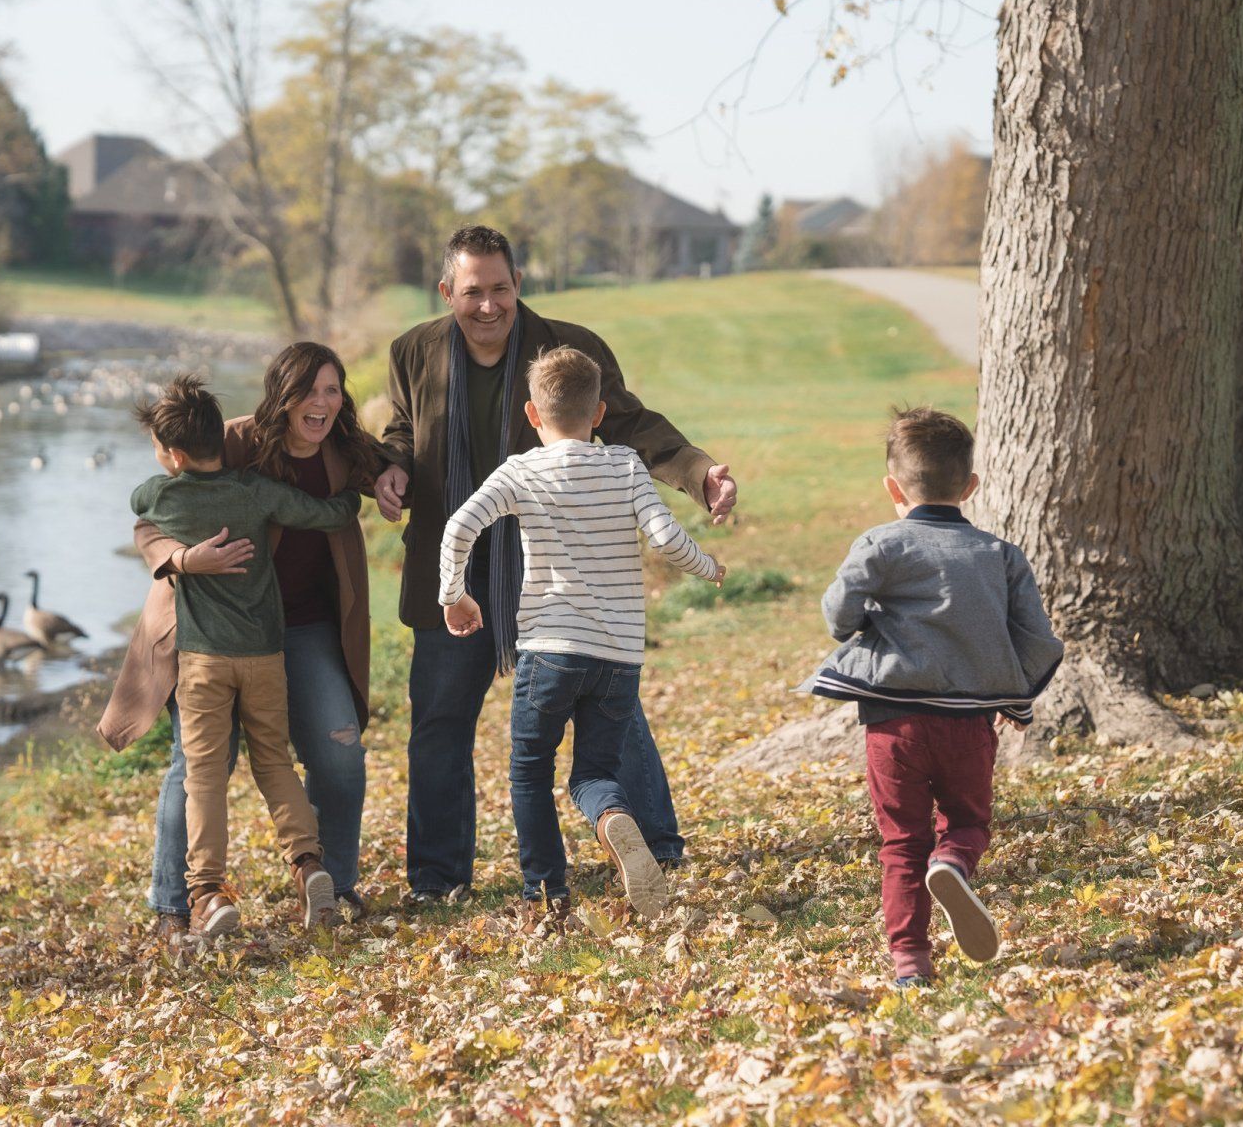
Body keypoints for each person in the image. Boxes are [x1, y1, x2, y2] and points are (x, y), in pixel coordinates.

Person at [375, 224, 740, 902]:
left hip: (553, 566)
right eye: (473, 292)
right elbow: (404, 427)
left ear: (519, 285)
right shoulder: (413, 351)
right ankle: (437, 878)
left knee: (611, 713)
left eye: (501, 290)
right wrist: (391, 468)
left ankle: (656, 847)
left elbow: (632, 425)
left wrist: (698, 473)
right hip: (454, 566)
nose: (488, 306)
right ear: (447, 290)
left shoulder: (567, 351)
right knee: (439, 720)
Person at [101, 344, 384, 942]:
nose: (322, 403)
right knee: (208, 763)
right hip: (213, 636)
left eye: (332, 390)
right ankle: (176, 904)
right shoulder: (236, 446)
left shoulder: (348, 450)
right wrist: (185, 558)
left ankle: (328, 880)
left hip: (299, 632)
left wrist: (390, 475)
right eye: (309, 391)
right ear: (280, 395)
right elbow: (149, 525)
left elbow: (395, 463)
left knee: (335, 756)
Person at [438, 348, 726, 917]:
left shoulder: (521, 470)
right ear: (599, 413)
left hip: (549, 650)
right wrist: (708, 565)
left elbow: (459, 526)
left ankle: (546, 892)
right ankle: (615, 819)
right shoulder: (624, 465)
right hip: (617, 656)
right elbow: (666, 541)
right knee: (594, 772)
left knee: (529, 768)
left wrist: (455, 594)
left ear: (531, 414)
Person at [798, 407, 1063, 985]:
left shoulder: (881, 543)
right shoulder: (999, 555)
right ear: (970, 486)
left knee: (901, 842)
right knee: (968, 821)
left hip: (894, 726)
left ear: (893, 487)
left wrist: (866, 615)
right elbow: (1040, 642)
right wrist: (1017, 700)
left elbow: (838, 617)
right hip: (969, 726)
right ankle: (954, 862)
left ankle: (911, 963)